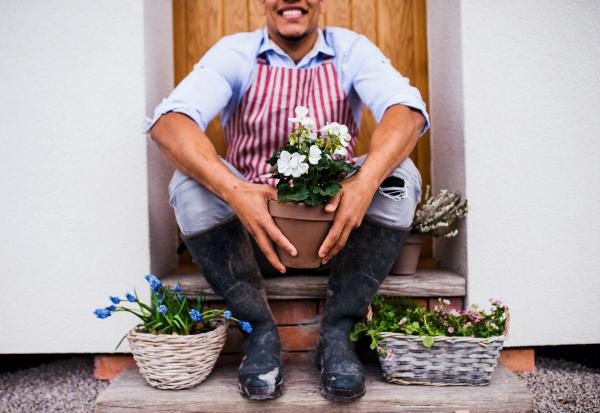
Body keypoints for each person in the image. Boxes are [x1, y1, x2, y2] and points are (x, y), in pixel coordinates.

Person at [145, 0, 428, 402]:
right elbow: (169, 122)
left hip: (335, 239)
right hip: (251, 242)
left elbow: (407, 112)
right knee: (187, 182)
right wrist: (236, 191)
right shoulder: (236, 52)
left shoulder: (350, 50)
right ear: (262, 2)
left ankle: (339, 329)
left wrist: (364, 183)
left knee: (401, 177)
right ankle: (258, 328)